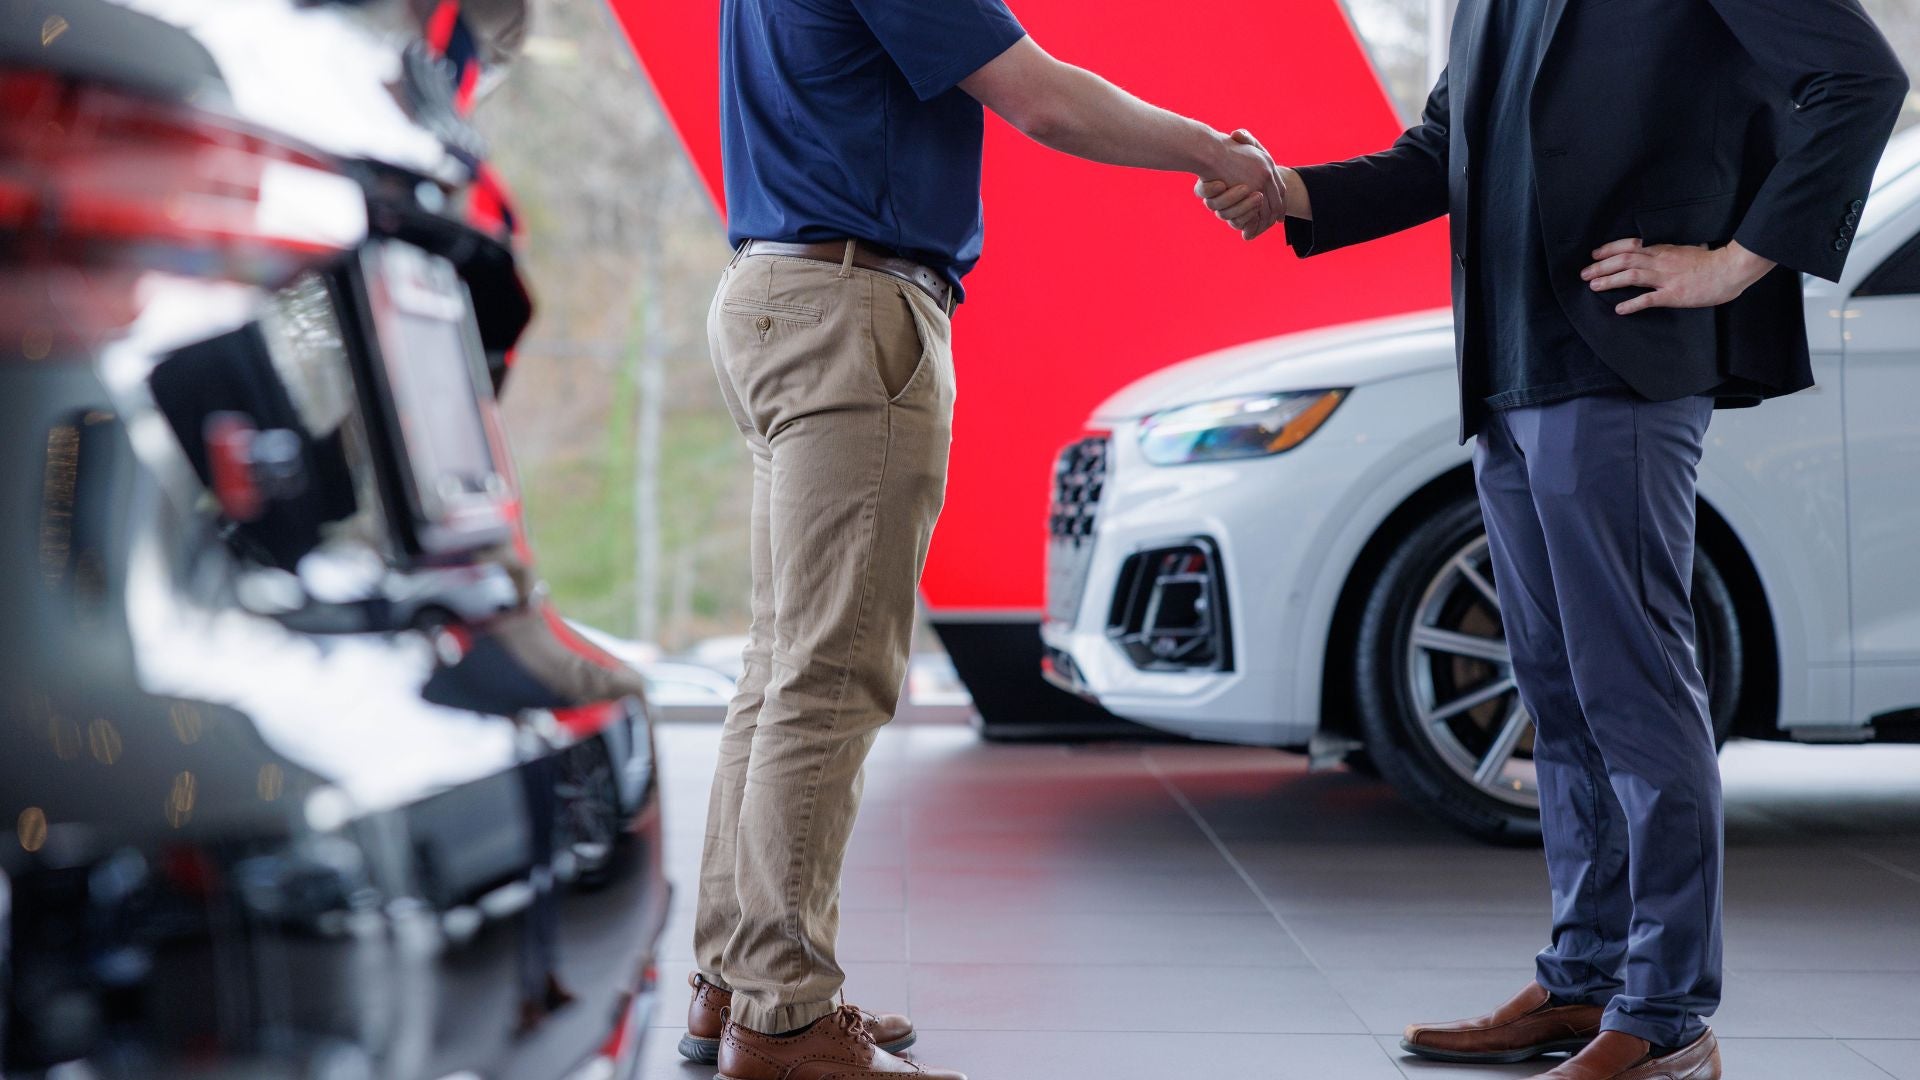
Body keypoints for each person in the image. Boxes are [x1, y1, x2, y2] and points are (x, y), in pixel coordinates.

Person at [1202, 1, 1907, 1078]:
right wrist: (1291, 190)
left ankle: (1666, 1015)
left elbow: (1861, 80)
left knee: (1635, 690)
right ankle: (1585, 982)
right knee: (1560, 693)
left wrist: (1737, 261)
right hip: (1509, 365)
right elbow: (1448, 148)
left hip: (1622, 364)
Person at [685, 6, 1283, 1078]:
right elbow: (1042, 98)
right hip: (850, 306)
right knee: (827, 674)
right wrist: (1216, 150)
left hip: (777, 290)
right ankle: (784, 1022)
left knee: (780, 668)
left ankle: (734, 983)